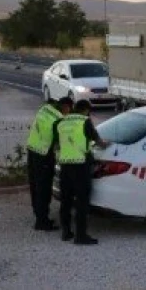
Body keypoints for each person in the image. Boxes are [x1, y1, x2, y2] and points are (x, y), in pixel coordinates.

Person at [52, 98, 107, 245]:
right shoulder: (84, 121)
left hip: (65, 166)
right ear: (86, 110)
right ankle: (81, 236)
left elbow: (57, 144)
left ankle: (66, 232)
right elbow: (98, 141)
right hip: (81, 167)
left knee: (66, 201)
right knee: (82, 202)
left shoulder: (60, 122)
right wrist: (106, 144)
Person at [25, 97, 69, 231]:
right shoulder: (58, 120)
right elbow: (61, 141)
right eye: (69, 109)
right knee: (43, 189)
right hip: (43, 155)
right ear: (66, 107)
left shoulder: (44, 109)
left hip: (32, 150)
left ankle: (38, 214)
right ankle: (42, 222)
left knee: (35, 185)